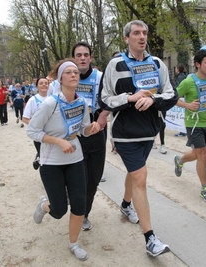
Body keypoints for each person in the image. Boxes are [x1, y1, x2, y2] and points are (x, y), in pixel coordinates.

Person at [99, 20, 178, 257]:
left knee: (134, 174)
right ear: (126, 39)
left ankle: (125, 205)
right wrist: (130, 98)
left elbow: (171, 94)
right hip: (125, 135)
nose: (141, 36)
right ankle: (150, 238)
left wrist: (154, 100)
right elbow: (104, 100)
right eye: (136, 33)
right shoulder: (115, 64)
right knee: (141, 178)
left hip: (149, 132)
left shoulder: (157, 63)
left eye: (144, 32)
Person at [27, 59, 101, 261]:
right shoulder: (50, 103)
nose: (74, 75)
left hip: (75, 159)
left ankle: (73, 243)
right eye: (68, 72)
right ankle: (44, 205)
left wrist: (91, 128)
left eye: (76, 72)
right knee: (59, 210)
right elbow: (32, 131)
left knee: (79, 204)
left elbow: (83, 131)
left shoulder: (82, 102)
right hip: (51, 162)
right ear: (60, 79)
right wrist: (58, 141)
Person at [173, 47, 206, 203]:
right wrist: (188, 105)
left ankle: (180, 161)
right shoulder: (188, 81)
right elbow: (173, 98)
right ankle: (205, 188)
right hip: (193, 123)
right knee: (202, 154)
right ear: (197, 64)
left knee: (196, 154)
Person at [71, 41, 109, 231]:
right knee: (79, 177)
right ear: (74, 58)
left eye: (86, 54)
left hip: (96, 129)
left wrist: (104, 115)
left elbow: (112, 98)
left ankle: (85, 212)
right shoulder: (68, 78)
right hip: (74, 131)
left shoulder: (101, 77)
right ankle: (80, 213)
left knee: (94, 178)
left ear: (91, 58)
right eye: (79, 55)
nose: (83, 58)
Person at [23, 77, 50, 170]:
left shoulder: (53, 99)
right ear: (37, 86)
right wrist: (36, 125)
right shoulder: (33, 100)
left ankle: (38, 159)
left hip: (52, 133)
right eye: (41, 83)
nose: (44, 85)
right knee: (43, 155)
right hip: (39, 134)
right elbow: (25, 118)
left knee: (50, 156)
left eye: (46, 83)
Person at [173, 63, 188, 137]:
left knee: (181, 115)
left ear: (178, 69)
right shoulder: (184, 76)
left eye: (176, 68)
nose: (175, 70)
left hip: (181, 97)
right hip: (184, 97)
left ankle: (182, 131)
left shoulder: (180, 77)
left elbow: (178, 88)